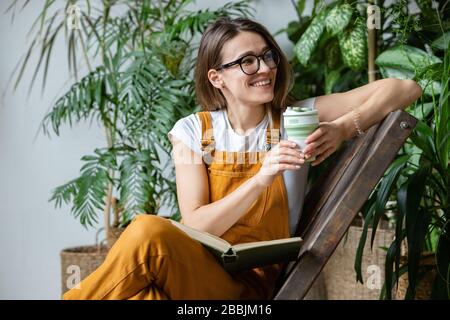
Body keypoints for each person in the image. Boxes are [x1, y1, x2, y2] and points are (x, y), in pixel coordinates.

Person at [63, 17, 422, 300]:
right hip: (195, 272)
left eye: (267, 56)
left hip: (248, 286)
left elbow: (406, 88)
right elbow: (199, 226)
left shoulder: (294, 118)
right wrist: (261, 178)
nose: (264, 68)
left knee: (146, 231)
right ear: (217, 77)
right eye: (247, 62)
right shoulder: (192, 131)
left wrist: (344, 128)